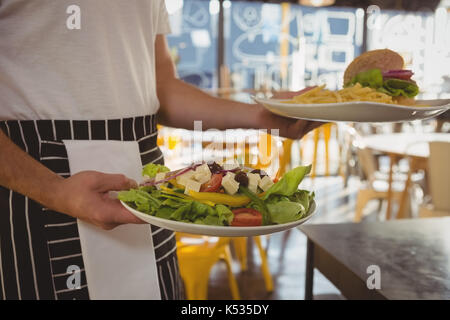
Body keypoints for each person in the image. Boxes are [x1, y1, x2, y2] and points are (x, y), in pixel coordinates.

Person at [0, 1, 321, 300]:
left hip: (147, 187)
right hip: (39, 181)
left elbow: (162, 90)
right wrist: (54, 192)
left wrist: (264, 118)